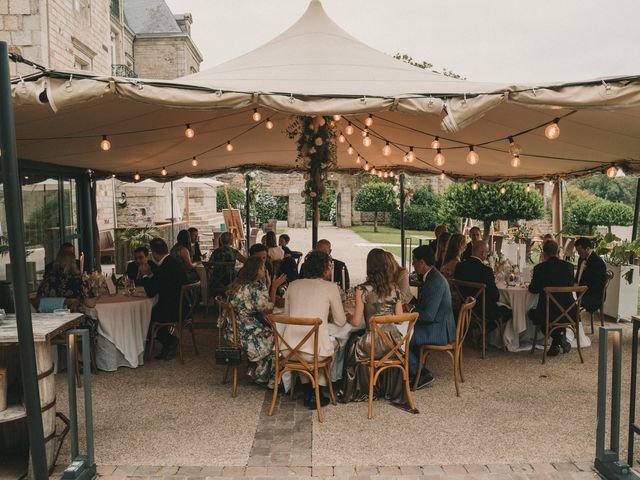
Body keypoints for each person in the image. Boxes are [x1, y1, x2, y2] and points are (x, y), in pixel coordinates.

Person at [340, 249, 408, 406]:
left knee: (351, 345)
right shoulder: (395, 289)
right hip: (392, 344)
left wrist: (348, 316)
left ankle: (360, 389)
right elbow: (398, 320)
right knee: (357, 341)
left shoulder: (362, 290)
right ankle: (385, 387)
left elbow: (356, 322)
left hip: (372, 344)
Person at [283, 250, 346, 409]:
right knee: (337, 344)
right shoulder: (330, 287)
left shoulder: (293, 284)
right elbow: (340, 321)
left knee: (309, 347)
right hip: (314, 354)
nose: (331, 269)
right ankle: (318, 388)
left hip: (288, 349)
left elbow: (286, 315)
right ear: (324, 268)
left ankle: (307, 389)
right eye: (330, 266)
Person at [227, 256, 286, 389]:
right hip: (246, 333)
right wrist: (274, 286)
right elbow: (269, 310)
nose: (265, 270)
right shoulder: (254, 288)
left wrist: (268, 285)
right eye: (263, 267)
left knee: (270, 332)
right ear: (256, 270)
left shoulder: (238, 284)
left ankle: (254, 366)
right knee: (276, 337)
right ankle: (265, 377)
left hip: (233, 330)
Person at [409, 245, 455, 389]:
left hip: (439, 330)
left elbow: (428, 315)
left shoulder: (435, 281)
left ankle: (421, 373)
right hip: (439, 324)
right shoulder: (432, 276)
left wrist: (410, 311)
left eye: (414, 261)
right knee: (405, 331)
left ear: (422, 263)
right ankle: (413, 370)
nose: (413, 264)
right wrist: (410, 303)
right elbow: (426, 306)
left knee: (399, 336)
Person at [138, 237, 189, 360]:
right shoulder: (173, 262)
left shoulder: (165, 267)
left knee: (146, 314)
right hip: (185, 306)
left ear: (154, 253)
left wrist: (145, 275)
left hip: (174, 310)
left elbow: (151, 292)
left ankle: (169, 341)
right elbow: (161, 279)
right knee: (152, 310)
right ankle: (167, 343)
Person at [527, 240, 575, 357]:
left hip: (547, 313)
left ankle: (557, 338)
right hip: (569, 311)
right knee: (551, 314)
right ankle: (559, 339)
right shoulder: (569, 267)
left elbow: (533, 289)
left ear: (544, 253)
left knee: (532, 313)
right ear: (558, 252)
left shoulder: (540, 268)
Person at [454, 240, 512, 333]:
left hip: (464, 306)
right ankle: (485, 330)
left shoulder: (459, 266)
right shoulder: (486, 270)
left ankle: (478, 330)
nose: (487, 254)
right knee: (510, 311)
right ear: (482, 253)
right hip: (483, 310)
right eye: (487, 252)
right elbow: (495, 296)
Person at [575, 237, 607, 315]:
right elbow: (578, 275)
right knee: (563, 297)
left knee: (567, 301)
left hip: (592, 296)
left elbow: (598, 284)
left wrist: (580, 288)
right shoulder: (581, 259)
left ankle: (574, 322)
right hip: (580, 291)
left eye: (580, 251)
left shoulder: (598, 262)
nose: (578, 253)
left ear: (587, 248)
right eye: (577, 251)